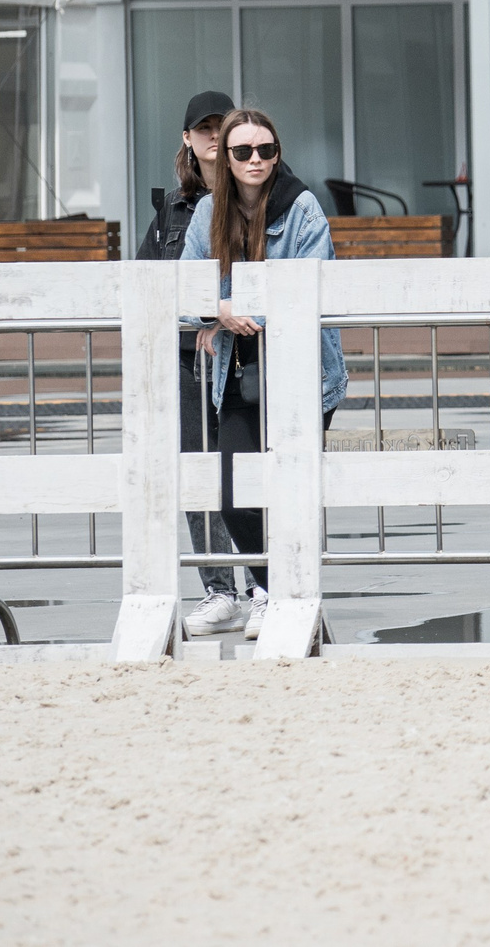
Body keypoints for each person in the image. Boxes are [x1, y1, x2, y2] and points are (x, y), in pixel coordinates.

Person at [179, 106, 348, 639]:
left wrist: (232, 314)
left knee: (290, 493)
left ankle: (279, 598)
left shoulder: (302, 208)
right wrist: (216, 312)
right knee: (234, 495)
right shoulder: (208, 211)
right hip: (237, 376)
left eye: (266, 150)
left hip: (301, 375)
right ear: (226, 158)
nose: (255, 159)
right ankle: (277, 591)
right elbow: (185, 287)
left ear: (277, 154)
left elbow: (309, 286)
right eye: (243, 151)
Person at [139, 90, 253, 637]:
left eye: (219, 125)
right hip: (186, 362)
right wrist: (199, 314)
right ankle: (219, 590)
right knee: (196, 471)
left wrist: (221, 315)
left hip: (244, 359)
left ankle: (263, 583)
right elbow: (151, 281)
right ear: (187, 138)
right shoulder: (171, 210)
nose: (211, 134)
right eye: (202, 127)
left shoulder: (257, 197)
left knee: (246, 468)